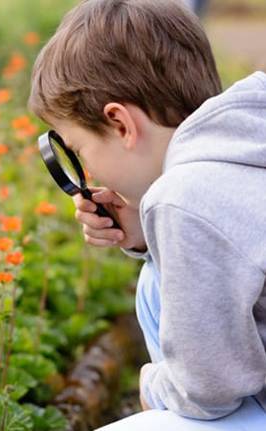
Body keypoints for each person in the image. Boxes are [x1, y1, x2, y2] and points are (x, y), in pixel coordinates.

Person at [27, 0, 266, 429]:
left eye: (79, 152)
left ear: (121, 124)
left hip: (221, 392)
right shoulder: (243, 140)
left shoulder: (183, 197)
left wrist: (155, 386)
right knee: (154, 283)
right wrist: (143, 234)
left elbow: (209, 390)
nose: (89, 174)